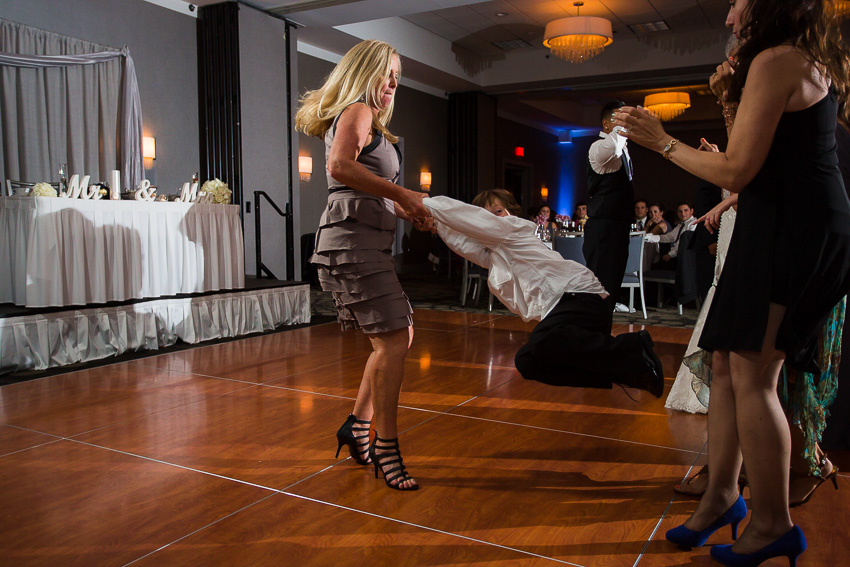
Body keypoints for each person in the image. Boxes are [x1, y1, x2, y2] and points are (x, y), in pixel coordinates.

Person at [614, 1, 850, 564]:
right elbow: (755, 155)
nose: (728, 18)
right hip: (782, 218)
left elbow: (737, 170)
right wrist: (726, 98)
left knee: (753, 373)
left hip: (794, 227)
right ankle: (723, 496)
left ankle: (772, 521)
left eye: (737, 3)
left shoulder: (778, 58)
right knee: (724, 362)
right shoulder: (788, 59)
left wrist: (661, 141)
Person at [296, 39, 431, 491]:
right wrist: (402, 194)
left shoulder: (368, 119)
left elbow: (367, 189)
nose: (393, 83)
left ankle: (356, 426)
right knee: (393, 341)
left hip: (363, 244)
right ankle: (386, 445)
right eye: (386, 72)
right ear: (364, 72)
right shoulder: (357, 110)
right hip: (351, 246)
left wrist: (411, 208)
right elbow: (339, 168)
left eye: (397, 75)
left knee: (398, 336)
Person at [423, 189, 664, 396]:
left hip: (577, 294)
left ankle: (634, 348)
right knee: (527, 362)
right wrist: (437, 225)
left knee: (541, 341)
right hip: (566, 307)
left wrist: (425, 203)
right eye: (486, 214)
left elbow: (468, 218)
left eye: (497, 211)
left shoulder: (512, 229)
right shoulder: (495, 254)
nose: (492, 218)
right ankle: (631, 373)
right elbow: (465, 245)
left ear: (510, 213)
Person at [584, 100, 635, 316]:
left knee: (611, 290)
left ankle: (601, 338)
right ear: (605, 123)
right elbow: (613, 148)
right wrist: (623, 127)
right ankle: (593, 338)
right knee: (601, 291)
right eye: (617, 118)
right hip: (603, 229)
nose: (623, 122)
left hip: (617, 228)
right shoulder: (600, 147)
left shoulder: (623, 148)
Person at [646, 202, 697, 269]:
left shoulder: (694, 224)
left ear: (692, 211)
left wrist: (670, 255)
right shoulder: (680, 225)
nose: (683, 213)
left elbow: (684, 244)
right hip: (677, 256)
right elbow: (667, 237)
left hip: (686, 258)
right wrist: (648, 237)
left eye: (685, 210)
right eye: (680, 211)